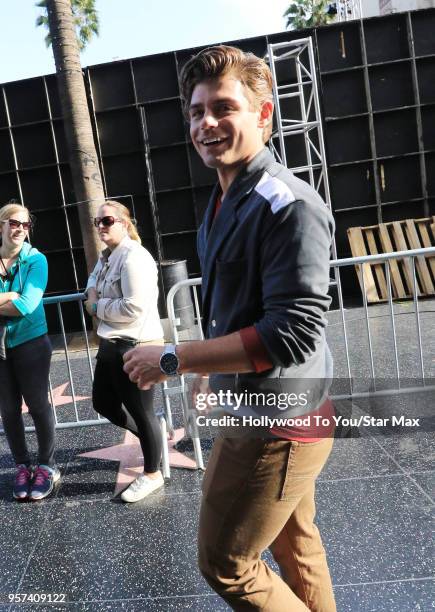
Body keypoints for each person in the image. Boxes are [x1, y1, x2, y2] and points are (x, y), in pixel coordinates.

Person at [123, 46, 336, 610]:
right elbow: (235, 308)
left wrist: (175, 358)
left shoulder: (289, 205)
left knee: (227, 563)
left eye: (223, 107)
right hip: (258, 406)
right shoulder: (225, 199)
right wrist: (206, 372)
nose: (205, 123)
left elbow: (289, 335)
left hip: (277, 422)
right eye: (195, 112)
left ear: (264, 114)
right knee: (296, 546)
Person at [84, 200, 165, 503]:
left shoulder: (134, 258)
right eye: (97, 222)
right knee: (103, 403)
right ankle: (152, 438)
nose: (101, 227)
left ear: (124, 223)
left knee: (143, 412)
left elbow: (133, 308)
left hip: (135, 347)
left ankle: (153, 472)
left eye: (107, 221)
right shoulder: (108, 257)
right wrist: (92, 293)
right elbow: (93, 279)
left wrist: (95, 306)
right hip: (111, 345)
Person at [0, 202, 60, 502]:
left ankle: (47, 466)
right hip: (1, 349)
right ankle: (22, 466)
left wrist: (15, 298)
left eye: (25, 224)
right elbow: (17, 301)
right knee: (8, 410)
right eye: (14, 223)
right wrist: (9, 296)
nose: (20, 228)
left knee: (37, 405)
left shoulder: (36, 260)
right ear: (1, 225)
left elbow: (26, 305)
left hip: (32, 344)